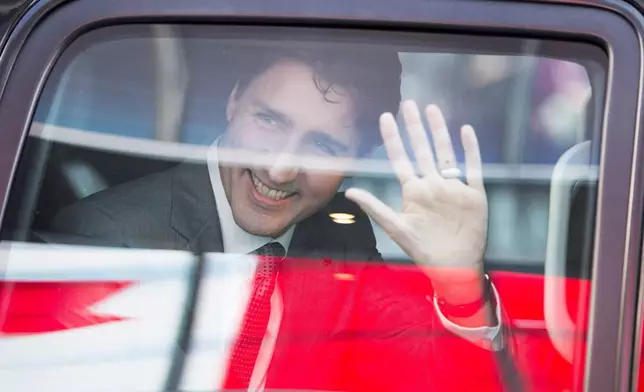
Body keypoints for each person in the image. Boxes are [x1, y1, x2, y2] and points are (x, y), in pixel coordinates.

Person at [46, 46, 519, 391]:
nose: (279, 168)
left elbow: (419, 377)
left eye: (322, 145)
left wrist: (460, 292)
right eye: (269, 120)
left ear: (355, 162)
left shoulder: (341, 230)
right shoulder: (106, 239)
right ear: (233, 101)